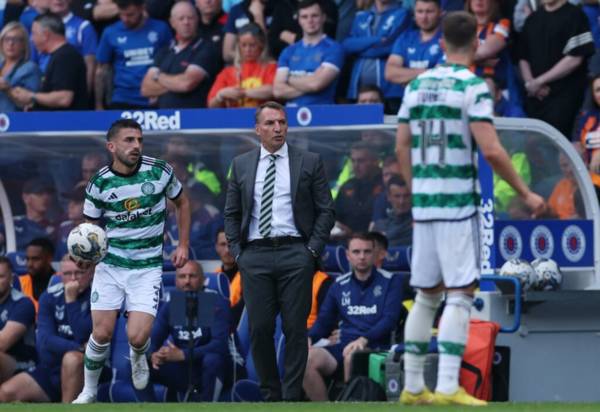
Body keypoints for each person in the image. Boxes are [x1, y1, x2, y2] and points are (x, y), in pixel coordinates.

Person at [396, 11, 546, 406]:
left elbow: (400, 146)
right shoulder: (473, 86)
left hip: (424, 207)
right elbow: (492, 149)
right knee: (460, 295)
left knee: (426, 296)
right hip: (457, 206)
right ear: (476, 44)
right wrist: (527, 194)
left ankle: (412, 387)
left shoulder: (417, 85)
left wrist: (416, 193)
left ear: (441, 43)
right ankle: (447, 386)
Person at [73, 118, 191, 403]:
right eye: (129, 140)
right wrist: (85, 259)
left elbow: (182, 203)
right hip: (111, 266)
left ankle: (139, 355)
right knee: (101, 333)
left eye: (139, 140)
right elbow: (90, 229)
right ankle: (88, 390)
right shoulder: (99, 183)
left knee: (137, 337)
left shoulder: (160, 172)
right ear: (112, 146)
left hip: (147, 268)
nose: (136, 145)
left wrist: (183, 244)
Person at [224, 101, 335, 401]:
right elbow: (232, 214)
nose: (278, 128)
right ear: (257, 129)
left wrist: (311, 250)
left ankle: (289, 397)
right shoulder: (242, 164)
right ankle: (270, 393)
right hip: (255, 255)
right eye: (271, 123)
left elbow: (326, 210)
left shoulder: (309, 161)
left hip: (296, 253)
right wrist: (237, 251)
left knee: (294, 329)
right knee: (259, 328)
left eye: (282, 123)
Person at [303, 233, 403, 400]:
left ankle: (350, 404)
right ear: (348, 255)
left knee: (353, 356)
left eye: (367, 251)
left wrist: (364, 339)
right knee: (305, 360)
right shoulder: (339, 284)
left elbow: (389, 320)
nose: (362, 256)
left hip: (376, 346)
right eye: (356, 252)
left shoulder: (391, 281)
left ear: (375, 253)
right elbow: (324, 322)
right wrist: (309, 338)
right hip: (342, 346)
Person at [0, 256, 96, 402]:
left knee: (72, 359)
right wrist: (78, 347)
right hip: (52, 367)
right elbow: (45, 340)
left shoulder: (98, 297)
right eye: (67, 274)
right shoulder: (49, 297)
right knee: (7, 392)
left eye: (79, 273)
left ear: (90, 273)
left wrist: (71, 302)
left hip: (88, 368)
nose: (73, 279)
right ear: (59, 275)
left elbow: (83, 334)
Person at [149, 260, 232, 401]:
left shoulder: (211, 302)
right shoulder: (174, 305)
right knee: (139, 364)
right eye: (182, 276)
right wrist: (153, 355)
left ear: (203, 280)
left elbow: (219, 346)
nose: (187, 281)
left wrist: (183, 354)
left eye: (192, 276)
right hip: (187, 369)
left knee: (212, 359)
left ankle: (207, 406)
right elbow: (152, 341)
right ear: (176, 281)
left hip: (217, 368)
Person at [518, 0, 594, 138]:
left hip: (565, 101)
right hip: (535, 99)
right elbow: (522, 56)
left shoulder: (576, 15)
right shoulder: (532, 19)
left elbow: (575, 57)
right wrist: (530, 84)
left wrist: (538, 82)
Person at [140, 1, 221, 108]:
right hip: (165, 121)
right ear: (172, 23)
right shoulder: (164, 51)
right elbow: (145, 89)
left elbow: (186, 84)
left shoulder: (206, 48)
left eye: (190, 18)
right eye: (181, 18)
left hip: (195, 118)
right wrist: (176, 84)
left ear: (197, 20)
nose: (186, 22)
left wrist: (158, 76)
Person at [95, 0, 172, 110]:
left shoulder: (160, 29)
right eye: (121, 14)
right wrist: (98, 105)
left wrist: (161, 90)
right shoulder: (110, 32)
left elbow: (171, 60)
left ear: (142, 8)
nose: (125, 19)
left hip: (154, 98)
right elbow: (102, 70)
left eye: (130, 15)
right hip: (122, 98)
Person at [273, 0, 344, 106]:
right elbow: (278, 91)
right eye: (304, 17)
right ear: (299, 20)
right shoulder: (288, 51)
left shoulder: (334, 48)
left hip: (323, 114)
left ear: (323, 17)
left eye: (314, 16)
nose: (310, 20)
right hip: (292, 115)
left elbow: (316, 84)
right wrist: (310, 82)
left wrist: (289, 78)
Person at [12, 12, 88, 110]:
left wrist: (31, 96)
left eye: (34, 33)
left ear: (46, 35)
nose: (31, 39)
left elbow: (64, 98)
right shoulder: (59, 56)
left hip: (66, 124)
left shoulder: (65, 57)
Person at [343, 0, 411, 109]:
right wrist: (376, 40)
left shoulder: (403, 14)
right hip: (360, 91)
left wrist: (360, 49)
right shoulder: (361, 16)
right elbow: (347, 45)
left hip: (390, 92)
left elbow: (390, 47)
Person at [31, 0, 98, 93]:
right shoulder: (38, 26)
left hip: (70, 87)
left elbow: (89, 66)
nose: (58, 0)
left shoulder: (83, 26)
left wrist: (85, 96)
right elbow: (34, 63)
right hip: (43, 86)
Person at [384, 0, 443, 102]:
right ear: (414, 13)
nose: (424, 17)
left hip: (435, 102)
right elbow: (390, 73)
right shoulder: (405, 38)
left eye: (429, 12)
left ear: (440, 13)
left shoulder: (447, 39)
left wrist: (405, 76)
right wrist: (430, 71)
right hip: (403, 100)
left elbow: (441, 76)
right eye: (420, 11)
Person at [207, 22, 276, 108]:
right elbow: (211, 105)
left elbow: (274, 90)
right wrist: (221, 95)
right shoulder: (227, 72)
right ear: (238, 46)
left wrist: (242, 93)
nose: (248, 49)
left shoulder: (271, 67)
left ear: (261, 45)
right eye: (243, 45)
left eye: (252, 45)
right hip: (235, 119)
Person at [334, 141, 383, 237]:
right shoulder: (347, 186)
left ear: (375, 161)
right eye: (353, 161)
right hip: (345, 243)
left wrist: (353, 234)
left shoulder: (385, 186)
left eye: (361, 161)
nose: (356, 165)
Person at [0, 257, 36, 384]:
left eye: (1, 276)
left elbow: (2, 343)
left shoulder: (22, 303)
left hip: (22, 363)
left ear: (11, 278)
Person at [0, 22, 41, 112]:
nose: (10, 43)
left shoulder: (30, 68)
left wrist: (8, 90)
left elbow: (30, 104)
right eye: (7, 39)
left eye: (16, 39)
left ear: (24, 45)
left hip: (16, 123)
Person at [372, 175, 413, 247]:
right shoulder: (380, 227)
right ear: (388, 197)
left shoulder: (419, 225)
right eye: (397, 196)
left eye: (406, 196)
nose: (401, 201)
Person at [19, 238, 56, 314]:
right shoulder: (19, 282)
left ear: (49, 258)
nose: (29, 264)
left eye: (35, 259)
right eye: (27, 259)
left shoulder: (61, 282)